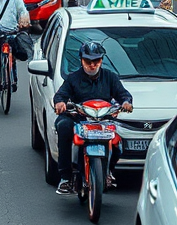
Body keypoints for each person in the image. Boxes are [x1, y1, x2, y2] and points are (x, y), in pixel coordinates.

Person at [53, 42, 134, 194]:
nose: (92, 65)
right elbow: (60, 95)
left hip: (104, 119)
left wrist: (126, 103)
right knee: (63, 126)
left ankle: (108, 171)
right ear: (81, 60)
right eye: (88, 61)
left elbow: (123, 94)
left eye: (96, 61)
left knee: (118, 143)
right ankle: (66, 177)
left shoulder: (110, 77)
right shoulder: (73, 78)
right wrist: (60, 103)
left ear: (101, 60)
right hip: (79, 118)